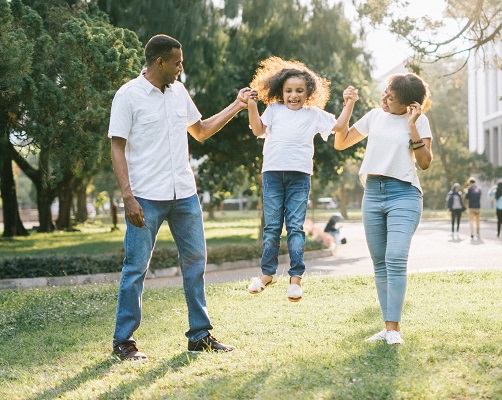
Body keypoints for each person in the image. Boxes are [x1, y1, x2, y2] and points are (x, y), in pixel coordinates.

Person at [108, 34, 250, 361]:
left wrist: (237, 105)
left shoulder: (179, 92)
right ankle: (123, 341)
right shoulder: (128, 95)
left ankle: (199, 336)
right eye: (177, 62)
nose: (181, 68)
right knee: (136, 268)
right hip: (145, 196)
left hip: (184, 194)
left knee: (196, 262)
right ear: (159, 62)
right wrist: (127, 197)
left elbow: (200, 130)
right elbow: (116, 146)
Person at [245, 56, 357, 302]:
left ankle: (295, 280)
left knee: (295, 227)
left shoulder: (313, 114)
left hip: (299, 177)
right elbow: (257, 130)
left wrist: (348, 103)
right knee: (272, 227)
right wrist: (252, 106)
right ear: (280, 92)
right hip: (273, 175)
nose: (293, 95)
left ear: (309, 93)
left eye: (299, 91)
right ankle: (267, 275)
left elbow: (339, 126)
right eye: (288, 91)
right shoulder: (274, 110)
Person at [334, 73, 433, 345]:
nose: (385, 99)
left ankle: (394, 330)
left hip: (404, 194)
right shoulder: (375, 116)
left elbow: (424, 162)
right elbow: (340, 142)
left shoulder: (419, 120)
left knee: (396, 257)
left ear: (410, 105)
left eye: (392, 98)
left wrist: (412, 125)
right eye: (386, 93)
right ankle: (388, 329)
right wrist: (349, 105)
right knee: (380, 264)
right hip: (373, 194)